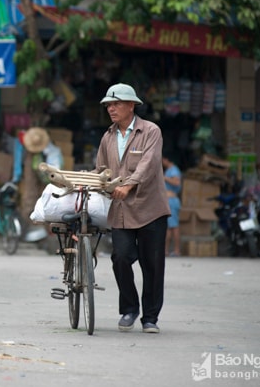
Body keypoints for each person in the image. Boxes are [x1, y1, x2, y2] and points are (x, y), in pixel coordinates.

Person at [95, 83, 170, 334]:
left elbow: (148, 165)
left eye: (115, 104)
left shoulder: (151, 131)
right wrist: (89, 182)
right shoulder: (107, 137)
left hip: (151, 209)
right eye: (108, 105)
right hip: (121, 210)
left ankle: (150, 318)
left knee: (153, 265)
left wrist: (128, 186)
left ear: (131, 105)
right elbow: (101, 170)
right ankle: (129, 309)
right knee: (120, 258)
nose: (111, 108)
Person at [162, 153, 182, 256]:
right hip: (168, 200)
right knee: (169, 227)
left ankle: (176, 250)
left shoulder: (173, 170)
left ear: (167, 159)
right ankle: (166, 250)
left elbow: (176, 182)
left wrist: (165, 178)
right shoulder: (169, 170)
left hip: (172, 201)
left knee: (173, 227)